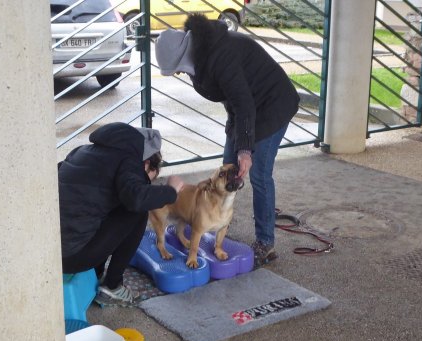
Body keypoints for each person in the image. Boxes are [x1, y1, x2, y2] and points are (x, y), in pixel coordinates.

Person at [154, 14, 300, 267]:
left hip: (273, 105)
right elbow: (231, 97)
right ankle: (215, 224)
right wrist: (234, 131)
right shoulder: (200, 56)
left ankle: (265, 243)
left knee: (258, 174)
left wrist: (245, 149)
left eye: (177, 68)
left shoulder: (221, 55)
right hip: (246, 107)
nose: (178, 72)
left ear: (183, 56)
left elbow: (244, 102)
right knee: (227, 168)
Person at [58, 122, 184, 307]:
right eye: (148, 178)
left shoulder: (82, 151)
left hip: (51, 250)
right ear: (146, 163)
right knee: (137, 212)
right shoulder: (128, 161)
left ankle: (97, 272)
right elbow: (137, 198)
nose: (144, 184)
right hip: (71, 256)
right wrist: (171, 191)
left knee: (109, 208)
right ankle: (112, 285)